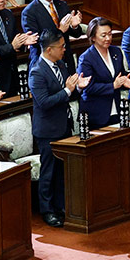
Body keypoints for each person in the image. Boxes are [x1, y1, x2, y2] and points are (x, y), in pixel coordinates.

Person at [31, 30, 89, 228]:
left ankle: (60, 205)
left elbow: (69, 93)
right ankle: (47, 210)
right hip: (47, 130)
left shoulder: (61, 65)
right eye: (61, 46)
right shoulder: (37, 71)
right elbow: (44, 102)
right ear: (49, 49)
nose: (65, 49)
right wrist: (67, 90)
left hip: (64, 125)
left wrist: (78, 87)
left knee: (62, 170)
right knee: (48, 172)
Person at [77, 17, 130, 128]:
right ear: (93, 37)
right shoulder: (86, 58)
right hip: (96, 113)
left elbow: (119, 74)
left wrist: (125, 79)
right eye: (103, 35)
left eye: (110, 34)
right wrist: (113, 85)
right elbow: (88, 88)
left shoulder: (116, 51)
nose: (108, 38)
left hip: (116, 109)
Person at [21, 0, 80, 70]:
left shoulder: (62, 5)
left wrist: (74, 26)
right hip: (43, 66)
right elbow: (37, 41)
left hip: (66, 61)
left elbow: (75, 34)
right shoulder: (29, 12)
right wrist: (60, 30)